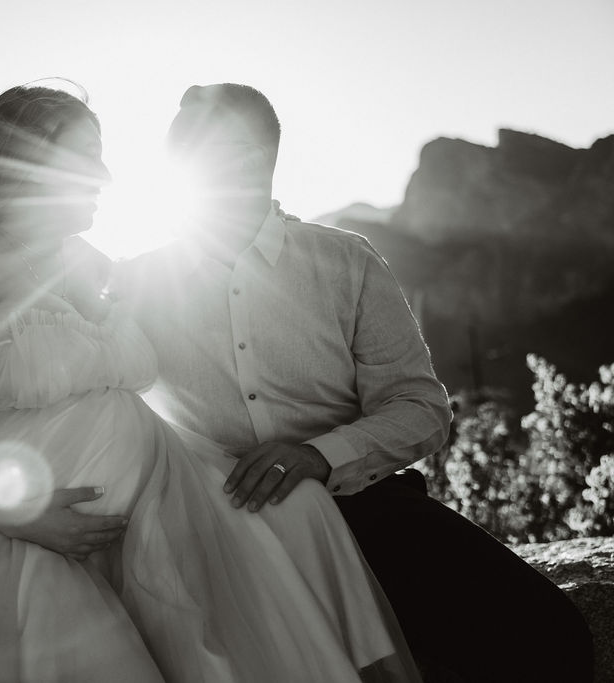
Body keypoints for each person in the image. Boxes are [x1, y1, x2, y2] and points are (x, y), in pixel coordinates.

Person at [0, 82, 423, 682]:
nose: (107, 173)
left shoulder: (95, 266)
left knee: (301, 512)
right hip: (22, 536)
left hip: (159, 494)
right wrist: (11, 515)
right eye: (88, 154)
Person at [111, 83, 594, 682]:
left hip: (363, 510)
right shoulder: (136, 283)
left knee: (550, 638)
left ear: (260, 156)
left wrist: (318, 455)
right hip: (213, 529)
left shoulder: (346, 261)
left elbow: (421, 406)